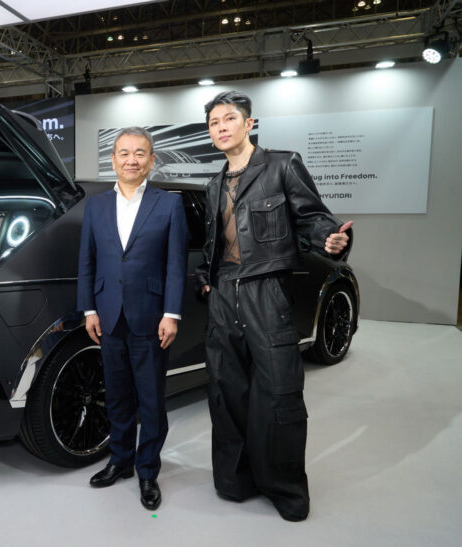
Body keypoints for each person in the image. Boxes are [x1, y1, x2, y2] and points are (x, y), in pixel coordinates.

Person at [196, 91, 353, 521]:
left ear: (249, 124)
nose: (221, 127)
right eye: (213, 122)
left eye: (229, 119)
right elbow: (215, 245)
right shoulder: (213, 185)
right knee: (226, 391)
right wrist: (206, 281)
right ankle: (235, 480)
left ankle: (284, 489)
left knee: (278, 391)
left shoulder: (282, 165)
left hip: (267, 290)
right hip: (224, 293)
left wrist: (330, 239)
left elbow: (312, 217)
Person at [77, 127, 188, 510]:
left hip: (151, 317)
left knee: (151, 400)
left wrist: (171, 313)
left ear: (151, 160)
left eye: (140, 153)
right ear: (113, 160)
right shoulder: (96, 207)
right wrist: (89, 309)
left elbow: (175, 265)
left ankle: (147, 471)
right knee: (117, 396)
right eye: (124, 153)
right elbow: (87, 262)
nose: (131, 160)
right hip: (108, 316)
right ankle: (120, 461)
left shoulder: (168, 204)